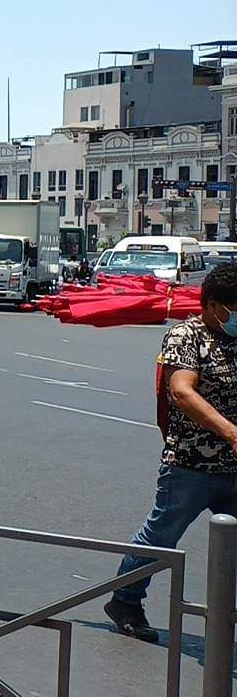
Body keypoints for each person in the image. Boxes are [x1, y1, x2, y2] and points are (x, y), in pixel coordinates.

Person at [104, 264, 237, 642]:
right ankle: (125, 600)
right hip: (191, 465)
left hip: (234, 465)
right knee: (161, 538)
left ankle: (225, 617)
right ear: (212, 305)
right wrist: (229, 431)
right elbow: (181, 391)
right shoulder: (186, 336)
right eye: (234, 310)